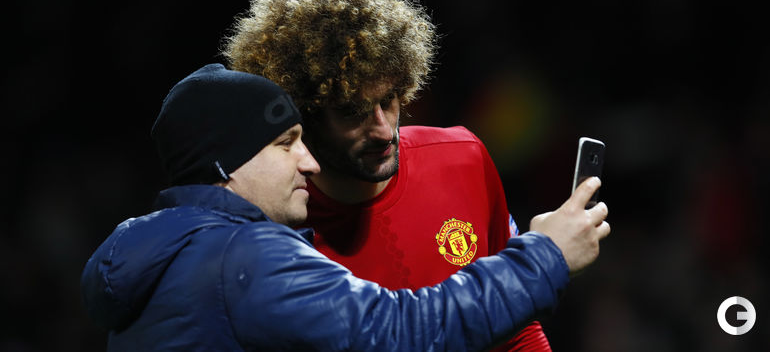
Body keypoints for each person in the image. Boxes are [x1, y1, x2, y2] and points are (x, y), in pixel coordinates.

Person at [80, 64, 610, 351]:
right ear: (227, 164)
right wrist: (546, 255)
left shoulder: (159, 258)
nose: (307, 161)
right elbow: (403, 332)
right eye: (286, 143)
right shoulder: (243, 258)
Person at [222, 0, 575, 350]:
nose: (382, 129)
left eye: (388, 100)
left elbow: (516, 325)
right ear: (304, 114)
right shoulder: (273, 222)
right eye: (353, 111)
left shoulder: (464, 156)